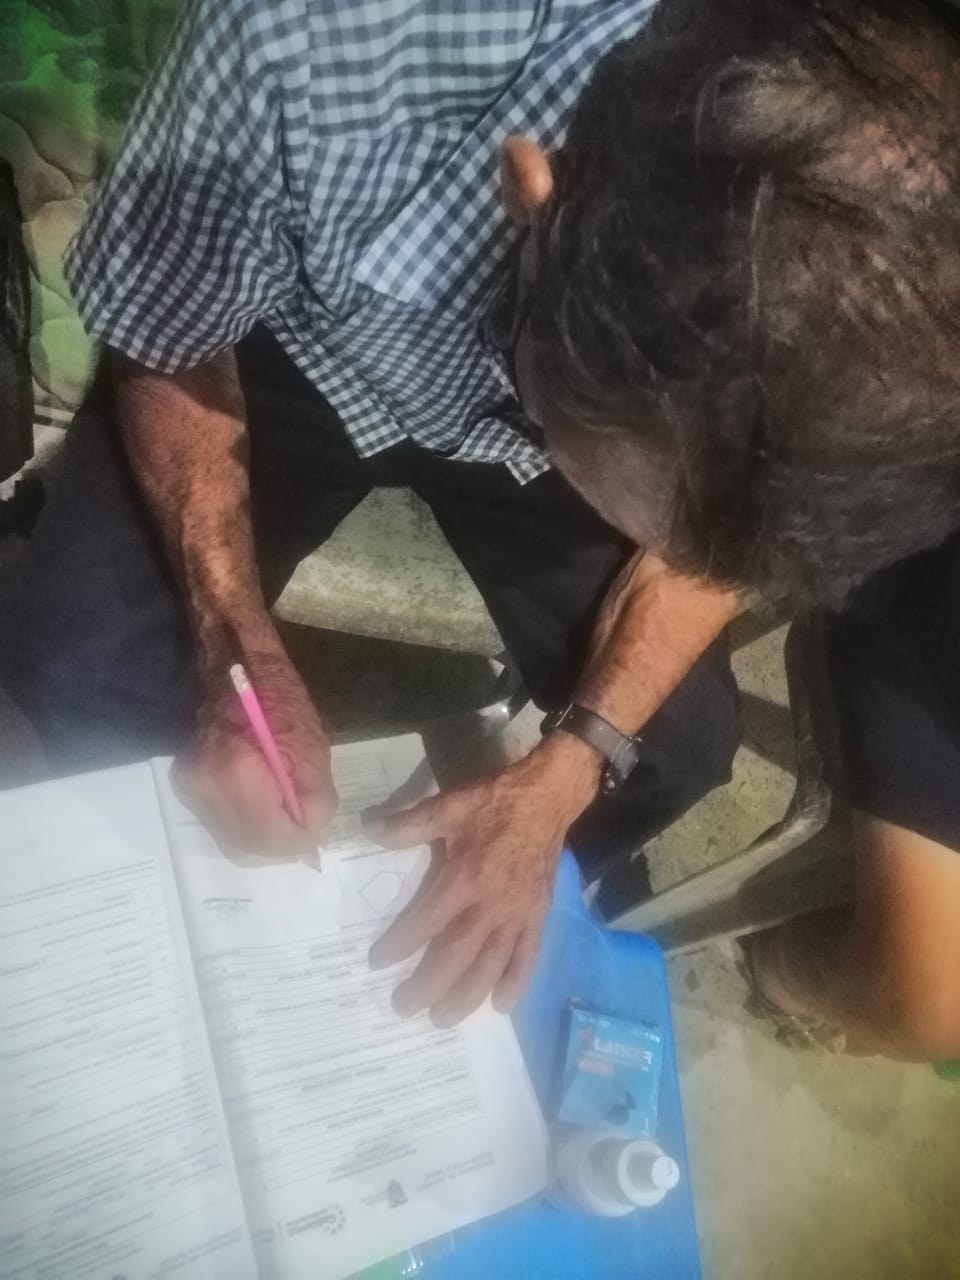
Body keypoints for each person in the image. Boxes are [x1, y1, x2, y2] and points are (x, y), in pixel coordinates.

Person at [1, 0, 959, 1059]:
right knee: (78, 672)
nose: (659, 555)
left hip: (565, 396)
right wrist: (233, 648)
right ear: (538, 197)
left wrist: (568, 771)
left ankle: (485, 926)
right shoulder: (303, 34)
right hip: (280, 339)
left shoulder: (885, 232)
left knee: (673, 747)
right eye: (644, 509)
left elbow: (711, 541)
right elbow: (170, 328)